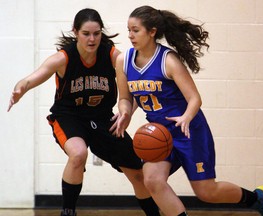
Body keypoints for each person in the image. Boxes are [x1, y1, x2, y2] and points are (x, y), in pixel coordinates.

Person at [114, 5, 263, 216]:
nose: (130, 35)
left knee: (206, 192)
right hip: (159, 133)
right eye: (128, 30)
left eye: (135, 30)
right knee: (152, 180)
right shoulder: (123, 61)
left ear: (152, 31)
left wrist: (186, 117)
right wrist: (125, 113)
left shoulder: (169, 60)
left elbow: (194, 98)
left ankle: (258, 198)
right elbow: (125, 98)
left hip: (188, 130)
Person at [7, 8, 160, 216]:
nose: (92, 39)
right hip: (69, 117)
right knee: (78, 154)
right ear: (75, 32)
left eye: (96, 33)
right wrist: (20, 87)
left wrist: (126, 112)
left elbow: (130, 89)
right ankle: (68, 212)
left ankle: (154, 213)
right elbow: (32, 77)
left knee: (138, 174)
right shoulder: (64, 58)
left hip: (103, 118)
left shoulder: (112, 55)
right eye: (86, 33)